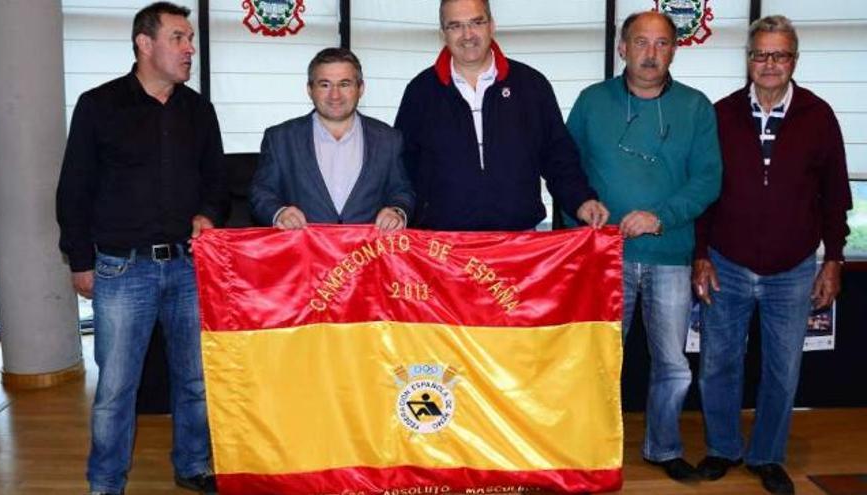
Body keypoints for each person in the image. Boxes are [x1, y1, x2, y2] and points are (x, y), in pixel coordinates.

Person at [55, 3, 227, 494]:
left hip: (189, 268)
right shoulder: (98, 105)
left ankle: (193, 463)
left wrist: (208, 215)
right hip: (120, 271)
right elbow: (74, 189)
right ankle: (106, 481)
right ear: (144, 44)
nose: (189, 47)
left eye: (189, 38)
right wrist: (80, 260)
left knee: (194, 381)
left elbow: (216, 183)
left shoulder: (199, 111)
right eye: (178, 38)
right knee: (115, 390)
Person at [693, 15, 852, 495]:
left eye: (779, 55)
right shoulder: (719, 115)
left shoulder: (818, 116)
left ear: (794, 61)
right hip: (726, 264)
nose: (769, 64)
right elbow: (703, 192)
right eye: (760, 54)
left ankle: (765, 455)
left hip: (795, 268)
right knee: (719, 364)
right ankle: (723, 448)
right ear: (748, 59)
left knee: (783, 369)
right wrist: (700, 254)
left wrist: (834, 259)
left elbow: (835, 194)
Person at [566, 11, 722, 482]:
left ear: (674, 50)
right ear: (622, 47)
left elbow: (708, 180)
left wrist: (662, 217)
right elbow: (565, 166)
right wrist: (581, 204)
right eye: (641, 42)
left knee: (672, 365)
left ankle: (662, 447)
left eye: (661, 44)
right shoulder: (592, 102)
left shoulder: (696, 108)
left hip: (671, 256)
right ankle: (591, 449)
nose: (650, 53)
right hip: (604, 258)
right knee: (598, 360)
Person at [393, 0, 608, 231]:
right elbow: (403, 169)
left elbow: (558, 157)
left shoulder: (531, 85)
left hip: (517, 244)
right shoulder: (420, 91)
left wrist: (581, 200)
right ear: (442, 33)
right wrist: (398, 210)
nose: (468, 35)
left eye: (477, 22)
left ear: (492, 25)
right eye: (455, 26)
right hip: (444, 247)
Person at [250, 48, 413, 230]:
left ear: (361, 89)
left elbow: (402, 191)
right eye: (325, 85)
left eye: (344, 84)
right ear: (310, 90)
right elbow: (261, 193)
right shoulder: (280, 139)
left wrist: (397, 212)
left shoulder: (389, 139)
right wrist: (279, 212)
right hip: (304, 252)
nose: (335, 95)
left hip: (367, 254)